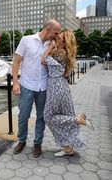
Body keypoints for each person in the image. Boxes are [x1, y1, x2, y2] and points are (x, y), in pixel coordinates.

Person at [12, 19, 61, 158]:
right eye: (55, 33)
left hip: (44, 87)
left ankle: (37, 143)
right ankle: (21, 141)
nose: (57, 36)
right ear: (48, 30)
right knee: (23, 115)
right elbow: (16, 62)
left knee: (41, 117)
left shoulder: (52, 45)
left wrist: (53, 50)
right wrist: (15, 83)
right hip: (27, 85)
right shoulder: (26, 40)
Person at [41, 29, 94, 157]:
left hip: (56, 87)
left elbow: (43, 60)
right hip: (63, 88)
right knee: (63, 116)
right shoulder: (63, 53)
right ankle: (68, 148)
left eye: (59, 38)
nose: (56, 38)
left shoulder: (61, 53)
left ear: (64, 42)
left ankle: (77, 119)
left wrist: (49, 49)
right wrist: (53, 48)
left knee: (48, 116)